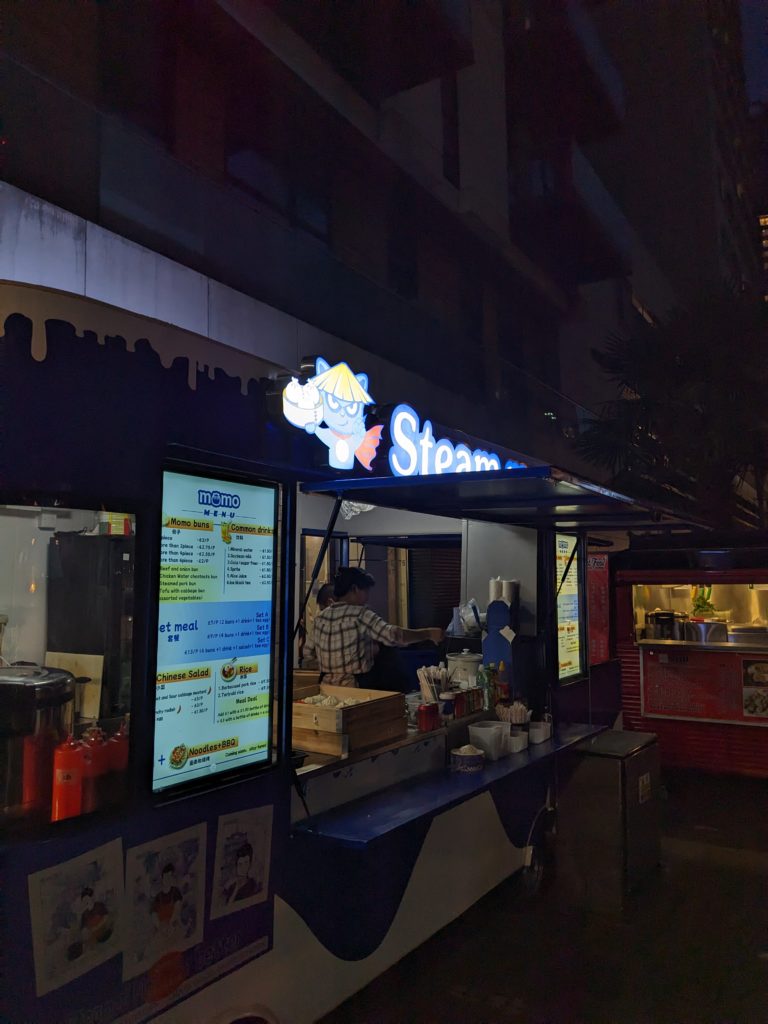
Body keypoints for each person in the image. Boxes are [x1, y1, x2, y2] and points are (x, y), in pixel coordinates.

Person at [313, 566, 444, 687]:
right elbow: (394, 636)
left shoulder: (320, 618)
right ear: (354, 589)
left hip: (325, 688)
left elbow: (309, 652)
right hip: (355, 689)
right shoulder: (361, 614)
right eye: (366, 591)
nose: (368, 597)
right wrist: (428, 633)